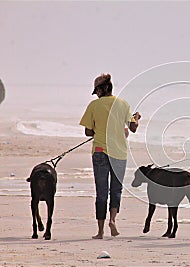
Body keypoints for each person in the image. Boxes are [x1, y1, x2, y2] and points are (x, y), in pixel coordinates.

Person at [80, 73, 141, 239]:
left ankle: (100, 232)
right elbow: (133, 128)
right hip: (119, 153)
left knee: (101, 192)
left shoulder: (94, 105)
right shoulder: (123, 104)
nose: (96, 94)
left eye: (97, 91)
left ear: (101, 89)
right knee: (116, 190)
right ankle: (112, 221)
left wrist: (98, 130)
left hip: (100, 151)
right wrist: (136, 118)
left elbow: (87, 131)